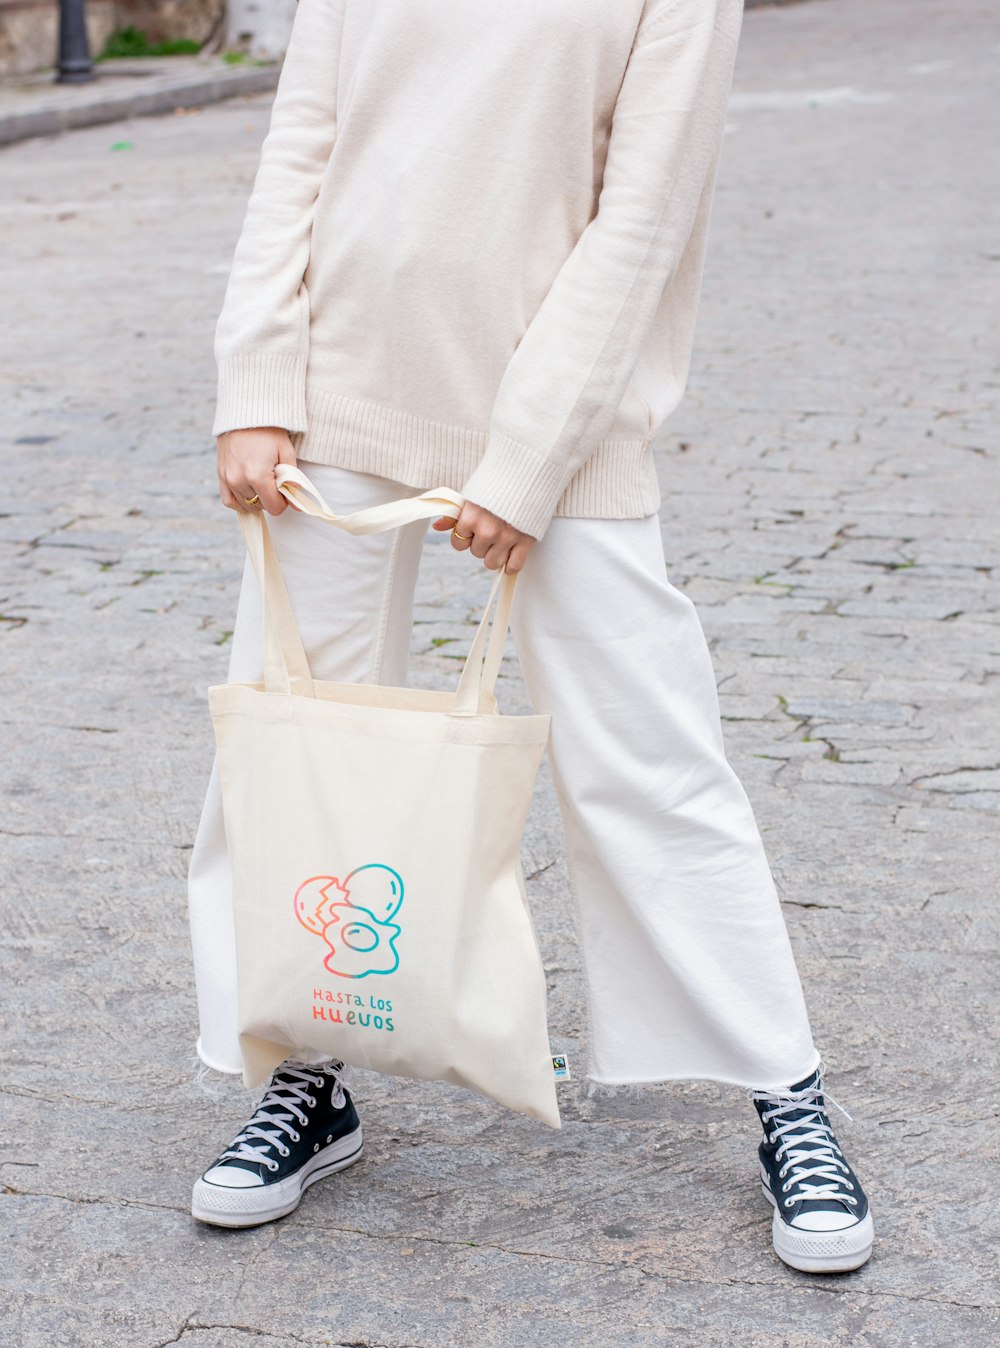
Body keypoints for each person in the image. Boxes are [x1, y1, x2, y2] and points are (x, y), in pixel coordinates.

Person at [187, 0, 875, 1274]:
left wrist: (527, 455)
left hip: (564, 414)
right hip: (338, 389)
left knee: (645, 750)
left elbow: (644, 216)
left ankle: (788, 1088)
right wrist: (256, 382)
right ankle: (302, 1072)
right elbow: (304, 143)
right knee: (292, 745)